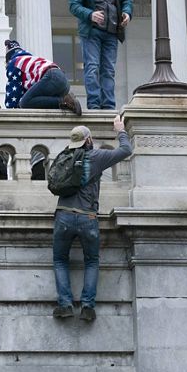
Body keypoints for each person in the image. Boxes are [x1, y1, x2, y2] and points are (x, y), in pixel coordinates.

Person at [51, 116, 132, 322]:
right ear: (88, 140)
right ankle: (87, 307)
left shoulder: (64, 157)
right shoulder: (95, 156)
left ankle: (65, 304)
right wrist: (120, 130)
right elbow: (125, 150)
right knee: (92, 261)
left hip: (63, 215)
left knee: (60, 260)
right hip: (87, 216)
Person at [69, 0, 132, 111]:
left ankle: (109, 106)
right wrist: (90, 14)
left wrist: (127, 13)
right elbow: (73, 5)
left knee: (109, 70)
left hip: (111, 32)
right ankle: (94, 105)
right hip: (91, 33)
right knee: (92, 67)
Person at [3, 40, 81, 114]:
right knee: (38, 101)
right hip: (64, 82)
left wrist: (12, 109)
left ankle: (64, 101)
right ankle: (67, 102)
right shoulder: (30, 60)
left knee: (25, 102)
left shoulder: (15, 62)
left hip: (52, 77)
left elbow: (13, 91)